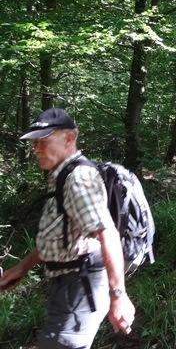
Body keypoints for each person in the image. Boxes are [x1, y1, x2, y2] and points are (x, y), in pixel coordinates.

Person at [0, 108, 135, 347]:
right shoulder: (62, 177)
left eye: (43, 141)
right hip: (68, 284)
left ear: (70, 139)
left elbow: (108, 234)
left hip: (81, 286)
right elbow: (61, 237)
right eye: (34, 143)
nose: (36, 149)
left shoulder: (78, 179)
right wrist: (21, 268)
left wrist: (118, 296)